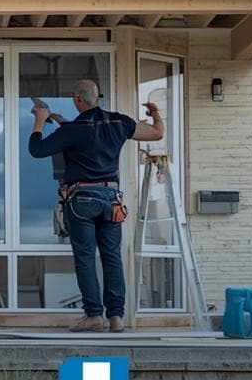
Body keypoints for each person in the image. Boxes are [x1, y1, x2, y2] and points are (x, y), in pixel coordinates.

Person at [28, 79, 164, 332]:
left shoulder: (74, 130)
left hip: (82, 200)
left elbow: (37, 149)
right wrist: (155, 113)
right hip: (111, 199)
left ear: (78, 100)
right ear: (97, 97)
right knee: (112, 257)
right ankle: (116, 318)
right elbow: (157, 133)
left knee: (86, 258)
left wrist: (40, 118)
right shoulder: (119, 122)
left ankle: (93, 316)